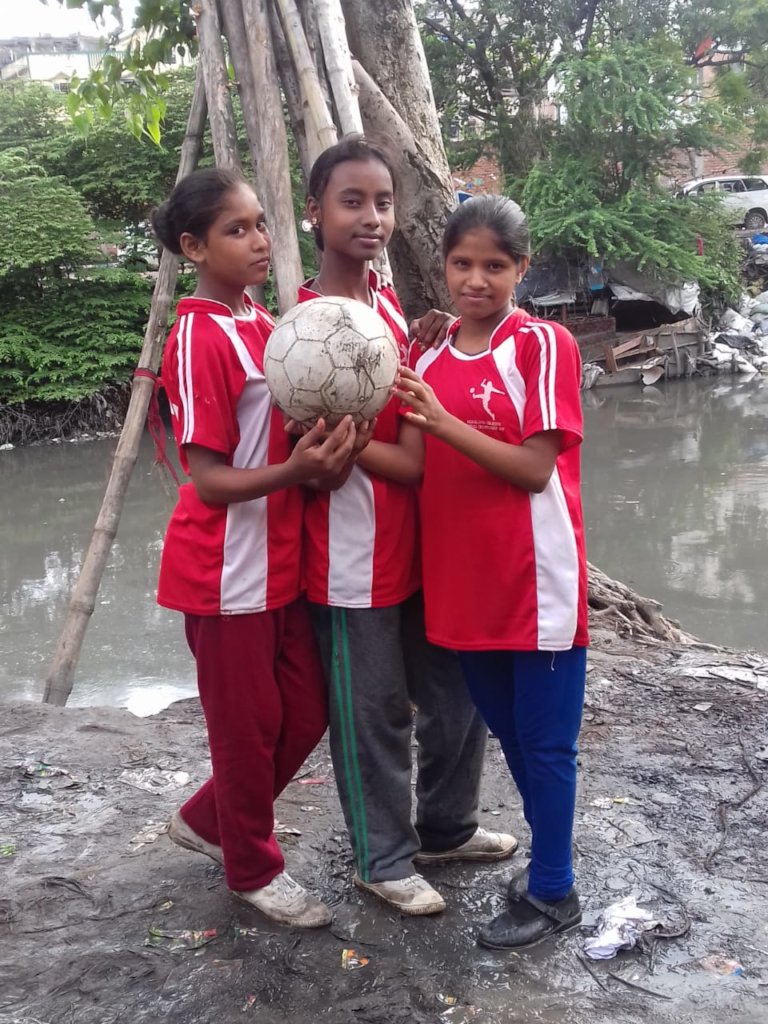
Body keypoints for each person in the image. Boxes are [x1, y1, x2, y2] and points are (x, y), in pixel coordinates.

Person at [298, 136, 518, 916]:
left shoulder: (385, 305)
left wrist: (416, 342)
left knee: (457, 694)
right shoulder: (305, 327)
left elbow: (400, 407)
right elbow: (349, 451)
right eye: (351, 201)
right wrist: (407, 451)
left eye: (383, 202)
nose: (371, 217)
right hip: (353, 558)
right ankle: (382, 857)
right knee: (377, 711)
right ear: (314, 212)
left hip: (425, 547)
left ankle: (447, 825)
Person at [152, 167, 359, 929]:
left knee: (306, 709)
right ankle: (252, 868)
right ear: (193, 245)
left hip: (279, 562)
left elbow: (280, 433)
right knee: (248, 730)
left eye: (263, 224)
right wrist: (296, 468)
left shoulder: (262, 326)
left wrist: (319, 450)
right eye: (237, 230)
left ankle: (210, 820)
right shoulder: (198, 334)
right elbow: (207, 477)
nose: (260, 241)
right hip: (223, 571)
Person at [396, 194, 588, 949]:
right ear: (443, 265)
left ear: (522, 269)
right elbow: (414, 465)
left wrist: (444, 422)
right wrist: (325, 448)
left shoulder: (542, 346)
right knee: (511, 737)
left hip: (533, 582)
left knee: (545, 745)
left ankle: (553, 891)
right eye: (463, 264)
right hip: (460, 586)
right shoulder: (430, 354)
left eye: (495, 266)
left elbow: (536, 469)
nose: (477, 280)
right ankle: (553, 871)